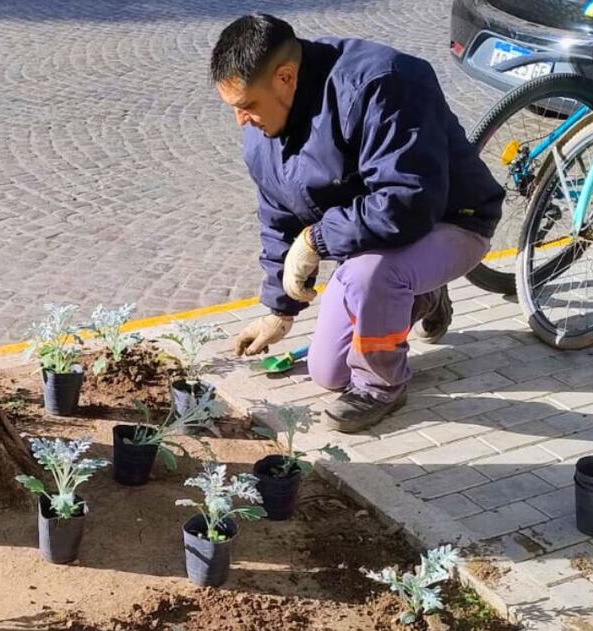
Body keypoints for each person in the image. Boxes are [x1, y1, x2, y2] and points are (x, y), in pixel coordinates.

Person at [212, 14, 504, 432]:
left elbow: (409, 201)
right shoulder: (264, 131)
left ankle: (382, 386)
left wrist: (316, 239)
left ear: (285, 77)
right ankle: (424, 296)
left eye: (247, 107)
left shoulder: (383, 83)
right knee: (328, 372)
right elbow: (276, 218)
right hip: (375, 239)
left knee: (372, 274)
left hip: (451, 221)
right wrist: (280, 309)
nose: (241, 120)